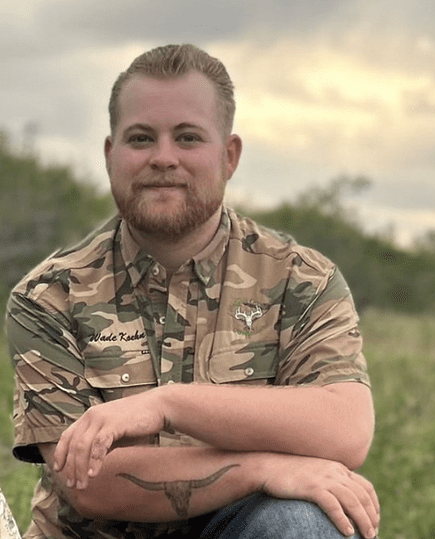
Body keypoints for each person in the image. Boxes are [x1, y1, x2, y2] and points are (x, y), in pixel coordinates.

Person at [6, 44, 380, 539]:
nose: (164, 158)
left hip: (248, 527)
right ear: (110, 153)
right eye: (141, 138)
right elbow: (88, 484)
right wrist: (262, 467)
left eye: (187, 137)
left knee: (300, 523)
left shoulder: (300, 280)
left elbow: (345, 429)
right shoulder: (48, 296)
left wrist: (169, 404)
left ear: (229, 156)